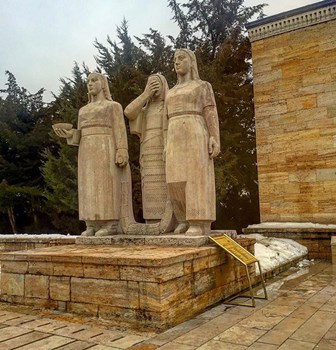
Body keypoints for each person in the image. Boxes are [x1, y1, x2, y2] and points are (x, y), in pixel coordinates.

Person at [53, 72, 129, 236]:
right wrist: (69, 134)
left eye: (94, 80)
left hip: (106, 146)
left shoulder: (113, 106)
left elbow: (120, 130)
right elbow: (79, 135)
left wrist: (122, 149)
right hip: (86, 149)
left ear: (103, 84)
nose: (90, 83)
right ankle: (91, 224)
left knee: (105, 183)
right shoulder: (83, 110)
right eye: (88, 81)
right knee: (88, 185)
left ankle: (110, 223)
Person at [164, 48, 220, 236]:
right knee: (175, 179)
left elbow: (210, 112)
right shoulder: (170, 92)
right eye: (174, 59)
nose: (177, 62)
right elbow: (165, 121)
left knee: (196, 177)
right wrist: (165, 144)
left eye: (181, 58)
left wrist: (214, 137)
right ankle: (183, 219)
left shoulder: (202, 86)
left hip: (195, 130)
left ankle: (198, 220)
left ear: (191, 62)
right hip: (173, 133)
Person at [124, 74, 169, 223]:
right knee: (149, 183)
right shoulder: (144, 110)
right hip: (148, 150)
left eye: (156, 83)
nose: (153, 86)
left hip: (164, 149)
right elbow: (128, 112)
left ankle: (169, 219)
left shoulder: (169, 105)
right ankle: (151, 219)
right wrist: (146, 94)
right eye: (150, 83)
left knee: (165, 182)